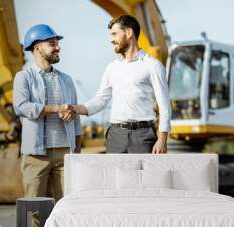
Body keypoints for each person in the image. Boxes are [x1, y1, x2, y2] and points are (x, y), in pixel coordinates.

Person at [69, 15, 171, 153]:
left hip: (143, 136)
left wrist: (162, 139)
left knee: (141, 175)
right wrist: (75, 109)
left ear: (129, 33)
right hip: (115, 136)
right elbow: (100, 100)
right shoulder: (112, 67)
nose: (112, 39)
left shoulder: (153, 66)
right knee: (115, 175)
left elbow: (164, 105)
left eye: (114, 34)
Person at [13, 24, 82, 201]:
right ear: (37, 47)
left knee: (66, 205)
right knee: (33, 208)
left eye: (57, 43)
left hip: (66, 153)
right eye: (52, 43)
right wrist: (57, 108)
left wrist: (77, 151)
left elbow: (76, 120)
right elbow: (21, 107)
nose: (58, 47)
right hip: (36, 155)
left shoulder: (66, 80)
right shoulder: (24, 77)